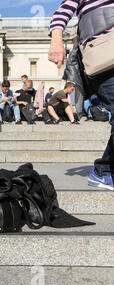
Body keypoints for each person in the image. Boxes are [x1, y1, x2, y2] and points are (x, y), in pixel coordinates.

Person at [49, 0, 114, 191]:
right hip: (104, 58)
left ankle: (104, 169)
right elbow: (62, 12)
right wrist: (56, 41)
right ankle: (103, 170)